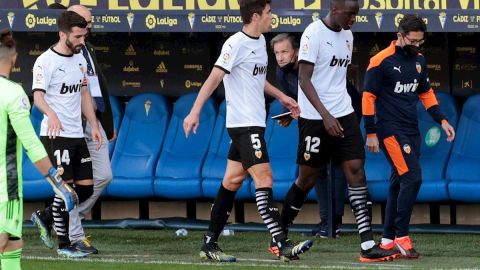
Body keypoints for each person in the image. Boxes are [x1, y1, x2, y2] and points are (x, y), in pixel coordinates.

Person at [183, 0, 312, 263]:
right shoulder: (235, 43)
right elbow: (214, 77)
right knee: (264, 178)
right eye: (268, 13)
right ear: (255, 16)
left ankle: (209, 243)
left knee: (231, 182)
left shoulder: (260, 43)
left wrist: (283, 97)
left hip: (255, 122)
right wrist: (195, 110)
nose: (272, 17)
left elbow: (257, 79)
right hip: (243, 125)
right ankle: (281, 243)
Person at [277, 0, 400, 262]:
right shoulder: (314, 33)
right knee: (307, 178)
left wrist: (338, 112)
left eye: (356, 14)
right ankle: (279, 236)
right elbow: (304, 79)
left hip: (344, 113)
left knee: (356, 170)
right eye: (350, 13)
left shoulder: (348, 35)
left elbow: (336, 78)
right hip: (314, 118)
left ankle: (367, 245)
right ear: (334, 9)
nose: (353, 18)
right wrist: (325, 116)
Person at [362, 14, 455, 259]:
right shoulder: (380, 60)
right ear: (400, 36)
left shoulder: (419, 60)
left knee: (398, 182)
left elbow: (425, 93)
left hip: (411, 129)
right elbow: (368, 97)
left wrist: (442, 120)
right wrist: (371, 132)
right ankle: (402, 237)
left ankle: (387, 240)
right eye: (413, 41)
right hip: (389, 130)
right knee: (412, 178)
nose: (416, 45)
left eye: (420, 42)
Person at [269, 33, 363, 239]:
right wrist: (290, 114)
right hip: (314, 120)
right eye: (277, 53)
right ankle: (325, 221)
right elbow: (298, 101)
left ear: (296, 52)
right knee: (315, 170)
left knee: (339, 166)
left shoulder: (313, 66)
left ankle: (334, 223)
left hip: (344, 113)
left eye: (285, 52)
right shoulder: (282, 74)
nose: (281, 57)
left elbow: (337, 96)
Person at [0, 29, 78, 270]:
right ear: (14, 58)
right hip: (5, 187)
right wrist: (57, 182)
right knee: (4, 240)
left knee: (13, 244)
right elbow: (32, 145)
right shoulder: (13, 93)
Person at [30, 11, 102, 258]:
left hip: (77, 134)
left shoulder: (80, 59)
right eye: (78, 36)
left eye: (84, 35)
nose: (83, 40)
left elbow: (83, 94)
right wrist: (50, 113)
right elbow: (38, 96)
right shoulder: (45, 61)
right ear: (63, 34)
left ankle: (45, 216)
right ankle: (65, 246)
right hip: (54, 135)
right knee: (66, 192)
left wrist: (93, 125)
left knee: (86, 190)